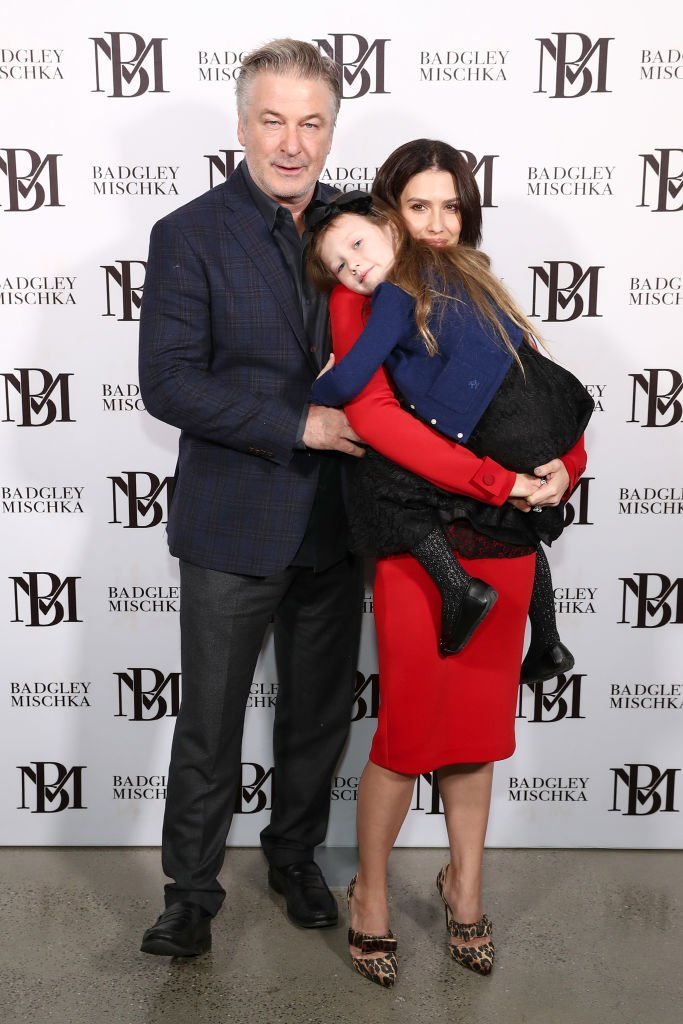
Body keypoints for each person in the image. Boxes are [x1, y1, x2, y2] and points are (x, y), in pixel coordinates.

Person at [302, 140, 587, 986]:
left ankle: (464, 889)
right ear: (388, 209)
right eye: (417, 206)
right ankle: (371, 895)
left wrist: (562, 469)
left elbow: (538, 400)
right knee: (407, 728)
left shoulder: (480, 288)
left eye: (449, 208)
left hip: (498, 536)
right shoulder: (367, 293)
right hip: (417, 537)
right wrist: (492, 477)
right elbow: (378, 421)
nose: (433, 224)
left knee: (478, 731)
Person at [137, 39, 366, 958]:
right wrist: (299, 426)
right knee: (211, 721)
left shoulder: (362, 228)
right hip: (234, 521)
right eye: (272, 120)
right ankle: (190, 893)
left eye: (310, 122)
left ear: (329, 130)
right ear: (241, 126)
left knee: (316, 715)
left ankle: (295, 854)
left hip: (340, 523)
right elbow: (169, 384)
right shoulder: (190, 234)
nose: (290, 142)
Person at [306, 192, 593, 672]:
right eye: (339, 265)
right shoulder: (463, 271)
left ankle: (459, 588)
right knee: (519, 521)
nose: (353, 266)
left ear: (392, 230)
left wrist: (320, 387)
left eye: (357, 245)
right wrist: (563, 459)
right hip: (543, 409)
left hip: (494, 418)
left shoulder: (396, 292)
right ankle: (548, 637)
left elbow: (352, 377)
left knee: (380, 480)